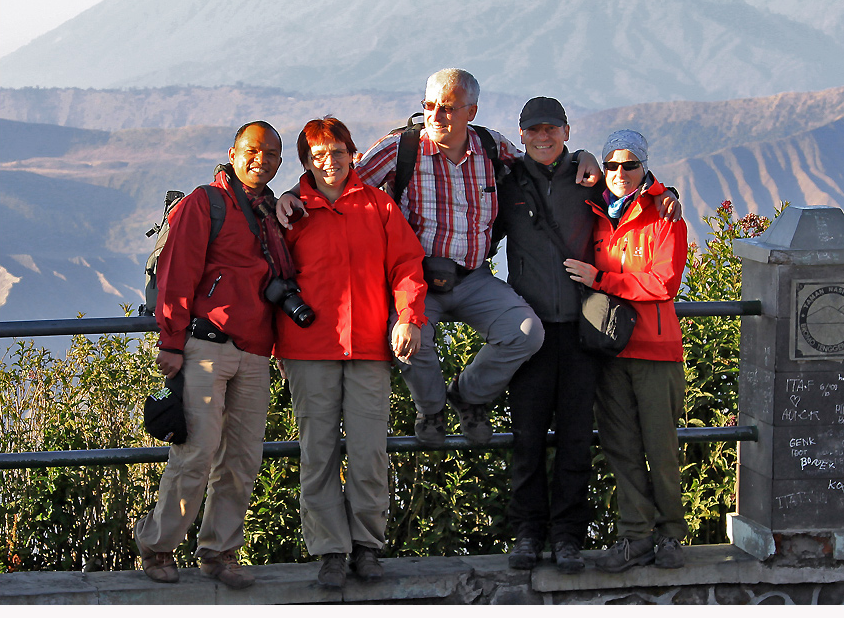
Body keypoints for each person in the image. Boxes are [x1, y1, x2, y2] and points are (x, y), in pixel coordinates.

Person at [278, 68, 600, 448]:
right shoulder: (401, 149)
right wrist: (290, 196)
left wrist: (584, 157)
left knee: (526, 334)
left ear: (471, 112)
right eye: (429, 106)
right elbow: (339, 181)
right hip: (417, 281)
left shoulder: (491, 147)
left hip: (474, 276)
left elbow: (540, 160)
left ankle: (468, 396)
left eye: (447, 108)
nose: (436, 116)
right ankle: (431, 409)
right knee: (407, 340)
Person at [496, 101, 681, 574]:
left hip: (593, 336)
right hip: (539, 331)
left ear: (566, 131)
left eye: (552, 129)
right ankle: (535, 534)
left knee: (589, 441)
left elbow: (658, 273)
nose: (619, 171)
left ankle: (583, 538)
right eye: (533, 130)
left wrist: (666, 193)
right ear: (521, 133)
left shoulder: (617, 196)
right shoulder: (517, 184)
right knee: (536, 439)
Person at [273, 116, 427, 590]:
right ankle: (330, 551)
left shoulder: (378, 207)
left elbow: (406, 263)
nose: (329, 162)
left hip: (367, 346)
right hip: (307, 348)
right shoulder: (291, 214)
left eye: (337, 152)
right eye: (318, 155)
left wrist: (409, 316)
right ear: (306, 162)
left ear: (352, 154)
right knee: (317, 451)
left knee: (368, 451)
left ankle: (367, 546)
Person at [134, 121, 288, 590]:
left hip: (257, 351)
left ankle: (219, 551)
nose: (261, 159)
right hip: (205, 344)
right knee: (196, 451)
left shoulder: (272, 213)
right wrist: (171, 343)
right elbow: (178, 272)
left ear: (280, 163)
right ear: (233, 152)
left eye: (272, 154)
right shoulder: (207, 202)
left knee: (242, 457)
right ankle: (158, 547)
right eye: (253, 150)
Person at [564, 128, 690, 572]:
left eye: (630, 164)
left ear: (645, 166)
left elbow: (663, 283)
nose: (619, 173)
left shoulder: (665, 215)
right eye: (612, 164)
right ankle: (636, 537)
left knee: (661, 448)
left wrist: (600, 280)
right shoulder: (594, 210)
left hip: (655, 349)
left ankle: (671, 535)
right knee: (621, 448)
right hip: (607, 349)